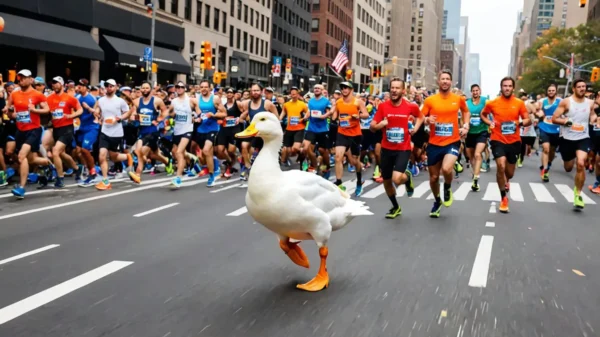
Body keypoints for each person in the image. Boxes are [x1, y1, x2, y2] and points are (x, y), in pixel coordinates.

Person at [370, 78, 423, 218]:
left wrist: (415, 129)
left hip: (403, 148)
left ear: (403, 91)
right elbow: (372, 126)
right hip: (386, 149)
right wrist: (381, 124)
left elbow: (421, 117)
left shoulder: (410, 106)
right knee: (386, 181)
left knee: (397, 179)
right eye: (392, 88)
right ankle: (395, 207)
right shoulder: (383, 106)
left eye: (397, 88)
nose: (394, 90)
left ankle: (408, 178)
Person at [421, 71, 470, 218]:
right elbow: (421, 116)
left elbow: (466, 112)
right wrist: (427, 120)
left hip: (452, 141)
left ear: (451, 82)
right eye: (443, 79)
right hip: (434, 143)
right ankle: (437, 201)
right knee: (434, 177)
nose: (445, 81)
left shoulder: (458, 99)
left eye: (448, 79)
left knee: (447, 169)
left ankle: (447, 188)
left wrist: (466, 126)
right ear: (438, 82)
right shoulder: (430, 100)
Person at [480, 77, 531, 213]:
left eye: (509, 86)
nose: (507, 88)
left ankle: (506, 181)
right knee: (501, 165)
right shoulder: (493, 103)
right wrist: (488, 122)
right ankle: (503, 198)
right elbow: (483, 114)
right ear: (501, 87)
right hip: (497, 139)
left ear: (513, 88)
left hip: (514, 141)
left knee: (510, 173)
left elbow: (528, 119)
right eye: (504, 86)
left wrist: (519, 123)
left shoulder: (519, 103)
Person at [551, 79, 597, 210]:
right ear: (574, 89)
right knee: (568, 167)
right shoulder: (566, 102)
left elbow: (592, 116)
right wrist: (565, 122)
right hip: (567, 138)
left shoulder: (590, 103)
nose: (582, 89)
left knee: (581, 163)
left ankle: (578, 194)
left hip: (583, 137)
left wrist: (595, 120)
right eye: (579, 87)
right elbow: (554, 118)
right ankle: (566, 159)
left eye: (584, 86)